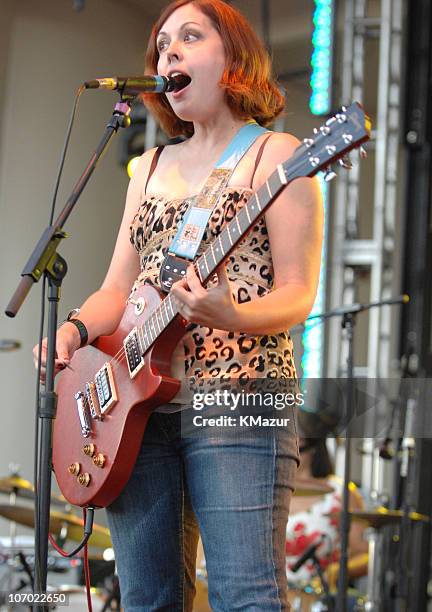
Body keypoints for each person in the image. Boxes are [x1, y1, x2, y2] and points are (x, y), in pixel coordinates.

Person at [34, 1, 323, 609]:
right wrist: (76, 329)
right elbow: (118, 287)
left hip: (239, 392)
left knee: (247, 596)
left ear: (235, 59)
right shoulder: (150, 166)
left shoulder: (277, 156)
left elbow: (299, 293)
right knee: (148, 598)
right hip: (137, 403)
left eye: (190, 37)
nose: (169, 52)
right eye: (163, 43)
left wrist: (233, 315)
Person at [286, 432, 369, 606]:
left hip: (317, 598)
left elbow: (365, 554)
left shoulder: (340, 493)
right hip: (267, 596)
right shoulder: (266, 490)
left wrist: (336, 571)